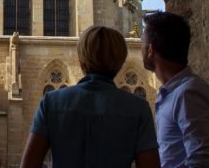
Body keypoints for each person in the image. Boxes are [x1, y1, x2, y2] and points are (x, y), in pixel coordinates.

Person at [21, 25, 160, 168]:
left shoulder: (51, 103)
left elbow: (29, 164)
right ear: (120, 63)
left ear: (81, 61)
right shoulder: (138, 109)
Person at [142, 11, 209, 167]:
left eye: (142, 44)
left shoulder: (188, 93)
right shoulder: (173, 93)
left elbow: (203, 158)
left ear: (151, 50)